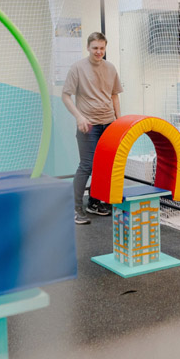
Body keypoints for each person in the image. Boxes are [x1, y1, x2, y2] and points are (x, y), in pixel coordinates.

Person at [62, 31, 123, 225]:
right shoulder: (77, 68)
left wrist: (119, 121)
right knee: (87, 165)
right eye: (95, 48)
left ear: (105, 48)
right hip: (88, 125)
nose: (98, 52)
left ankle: (94, 203)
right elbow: (66, 96)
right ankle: (75, 208)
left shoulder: (110, 68)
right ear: (88, 47)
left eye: (102, 48)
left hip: (109, 123)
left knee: (103, 166)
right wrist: (79, 117)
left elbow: (114, 95)